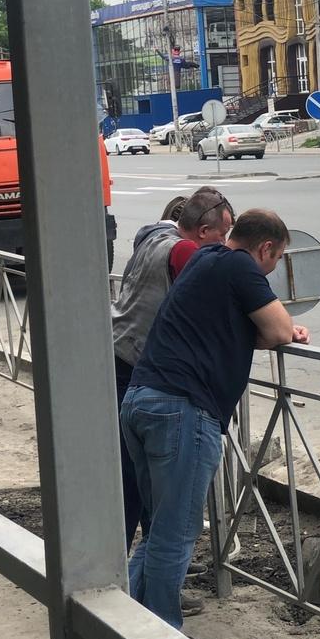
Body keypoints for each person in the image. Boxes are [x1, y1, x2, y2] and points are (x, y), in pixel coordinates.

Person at [122, 209, 308, 639]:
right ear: (266, 248)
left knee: (159, 528)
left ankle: (126, 623)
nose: (273, 266)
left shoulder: (206, 261)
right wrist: (290, 330)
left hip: (142, 399)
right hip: (183, 411)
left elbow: (248, 331)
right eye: (277, 258)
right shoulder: (241, 266)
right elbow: (279, 329)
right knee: (177, 531)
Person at [112, 188, 234, 556]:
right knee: (150, 482)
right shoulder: (183, 252)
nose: (225, 243)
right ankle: (136, 576)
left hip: (123, 360)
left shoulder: (152, 238)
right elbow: (210, 302)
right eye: (222, 234)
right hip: (144, 370)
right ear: (202, 231)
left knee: (137, 477)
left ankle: (132, 566)